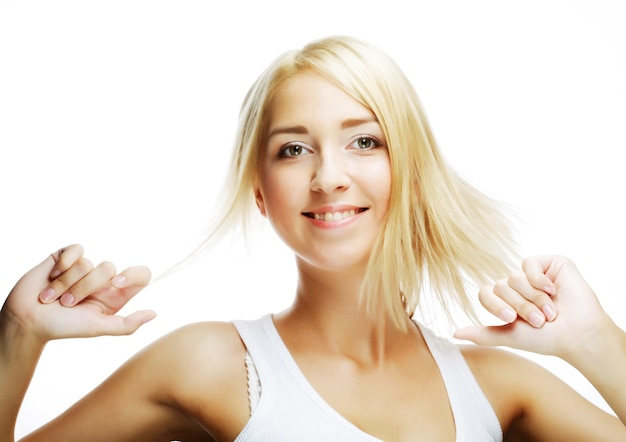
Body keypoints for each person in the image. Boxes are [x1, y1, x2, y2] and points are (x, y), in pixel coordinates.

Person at [1, 35, 625, 441]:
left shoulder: (497, 386)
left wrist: (596, 341)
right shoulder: (212, 365)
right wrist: (18, 337)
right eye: (293, 149)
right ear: (259, 191)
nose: (328, 177)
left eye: (364, 141)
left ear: (409, 168)